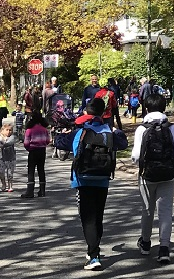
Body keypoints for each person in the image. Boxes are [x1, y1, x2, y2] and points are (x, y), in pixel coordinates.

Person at [55, 98, 128, 270]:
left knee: (87, 218)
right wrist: (116, 130)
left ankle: (94, 256)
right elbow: (123, 143)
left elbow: (59, 143)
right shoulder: (108, 131)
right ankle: (93, 249)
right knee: (98, 216)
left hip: (83, 179)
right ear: (103, 113)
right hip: (102, 179)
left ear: (86, 113)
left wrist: (62, 132)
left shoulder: (80, 132)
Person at [131, 93, 174, 264]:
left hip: (147, 175)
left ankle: (146, 243)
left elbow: (136, 155)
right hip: (168, 175)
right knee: (165, 211)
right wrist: (168, 162)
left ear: (146, 108)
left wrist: (142, 165)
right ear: (163, 107)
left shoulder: (142, 128)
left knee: (147, 210)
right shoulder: (171, 128)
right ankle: (164, 248)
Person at [21, 111, 50, 198]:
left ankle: (30, 191)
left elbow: (26, 143)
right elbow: (48, 141)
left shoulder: (29, 130)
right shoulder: (44, 129)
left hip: (33, 151)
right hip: (42, 151)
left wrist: (29, 148)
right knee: (41, 169)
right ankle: (42, 190)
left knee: (31, 170)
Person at [0, 124, 17, 192]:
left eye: (10, 130)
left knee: (10, 173)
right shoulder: (1, 137)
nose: (8, 132)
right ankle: (3, 184)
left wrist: (3, 144)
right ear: (2, 131)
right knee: (1, 172)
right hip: (3, 158)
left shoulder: (12, 137)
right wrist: (2, 140)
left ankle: (10, 185)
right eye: (7, 130)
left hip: (11, 159)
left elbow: (9, 143)